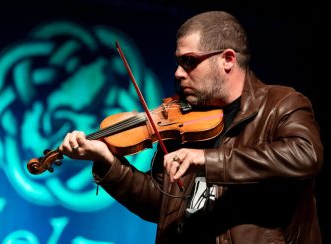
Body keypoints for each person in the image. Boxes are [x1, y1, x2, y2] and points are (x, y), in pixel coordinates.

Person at [59, 11, 323, 244]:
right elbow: (160, 205)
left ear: (227, 59)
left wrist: (208, 160)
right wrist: (108, 162)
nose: (178, 73)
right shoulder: (184, 121)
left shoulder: (282, 104)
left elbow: (305, 155)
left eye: (189, 62)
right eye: (178, 62)